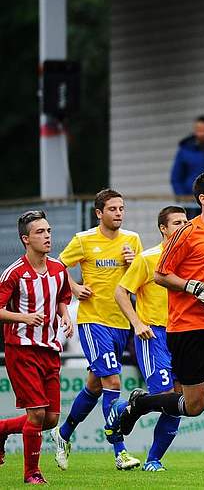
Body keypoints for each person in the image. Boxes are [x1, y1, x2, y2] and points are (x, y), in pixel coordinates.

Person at [106, 170, 204, 484]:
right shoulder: (186, 233)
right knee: (194, 405)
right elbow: (161, 275)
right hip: (187, 329)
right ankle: (140, 404)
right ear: (203, 199)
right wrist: (193, 288)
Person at [53, 189, 144, 471]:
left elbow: (142, 279)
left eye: (121, 209)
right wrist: (75, 287)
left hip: (121, 322)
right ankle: (120, 451)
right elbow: (57, 266)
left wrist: (133, 264)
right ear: (99, 213)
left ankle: (63, 433)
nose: (118, 213)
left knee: (95, 385)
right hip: (93, 321)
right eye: (113, 209)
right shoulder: (84, 240)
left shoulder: (132, 240)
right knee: (113, 383)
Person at [112, 205, 189, 471]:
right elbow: (121, 292)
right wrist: (137, 323)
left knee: (182, 403)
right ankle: (125, 407)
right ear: (163, 229)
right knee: (166, 396)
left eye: (186, 222)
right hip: (154, 335)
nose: (183, 226)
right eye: (177, 223)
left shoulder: (191, 259)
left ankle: (153, 460)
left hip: (184, 337)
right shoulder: (148, 259)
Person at [0, 210, 73, 484]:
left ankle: (3, 429)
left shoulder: (58, 270)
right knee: (37, 413)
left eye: (49, 231)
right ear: (25, 239)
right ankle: (32, 473)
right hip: (22, 349)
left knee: (51, 419)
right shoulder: (14, 273)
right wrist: (23, 317)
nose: (47, 236)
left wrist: (65, 316)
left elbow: (62, 298)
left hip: (50, 348)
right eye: (40, 232)